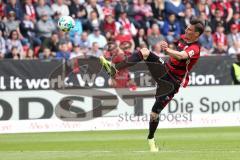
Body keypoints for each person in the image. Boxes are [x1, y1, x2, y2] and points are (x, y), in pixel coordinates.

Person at [99, 17, 204, 152]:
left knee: (154, 114)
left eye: (189, 29)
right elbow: (175, 50)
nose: (186, 30)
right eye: (187, 27)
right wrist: (167, 46)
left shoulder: (195, 48)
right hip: (164, 70)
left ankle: (151, 139)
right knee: (145, 52)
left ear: (196, 34)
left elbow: (181, 56)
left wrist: (168, 50)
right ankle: (115, 68)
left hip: (171, 83)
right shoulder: (183, 38)